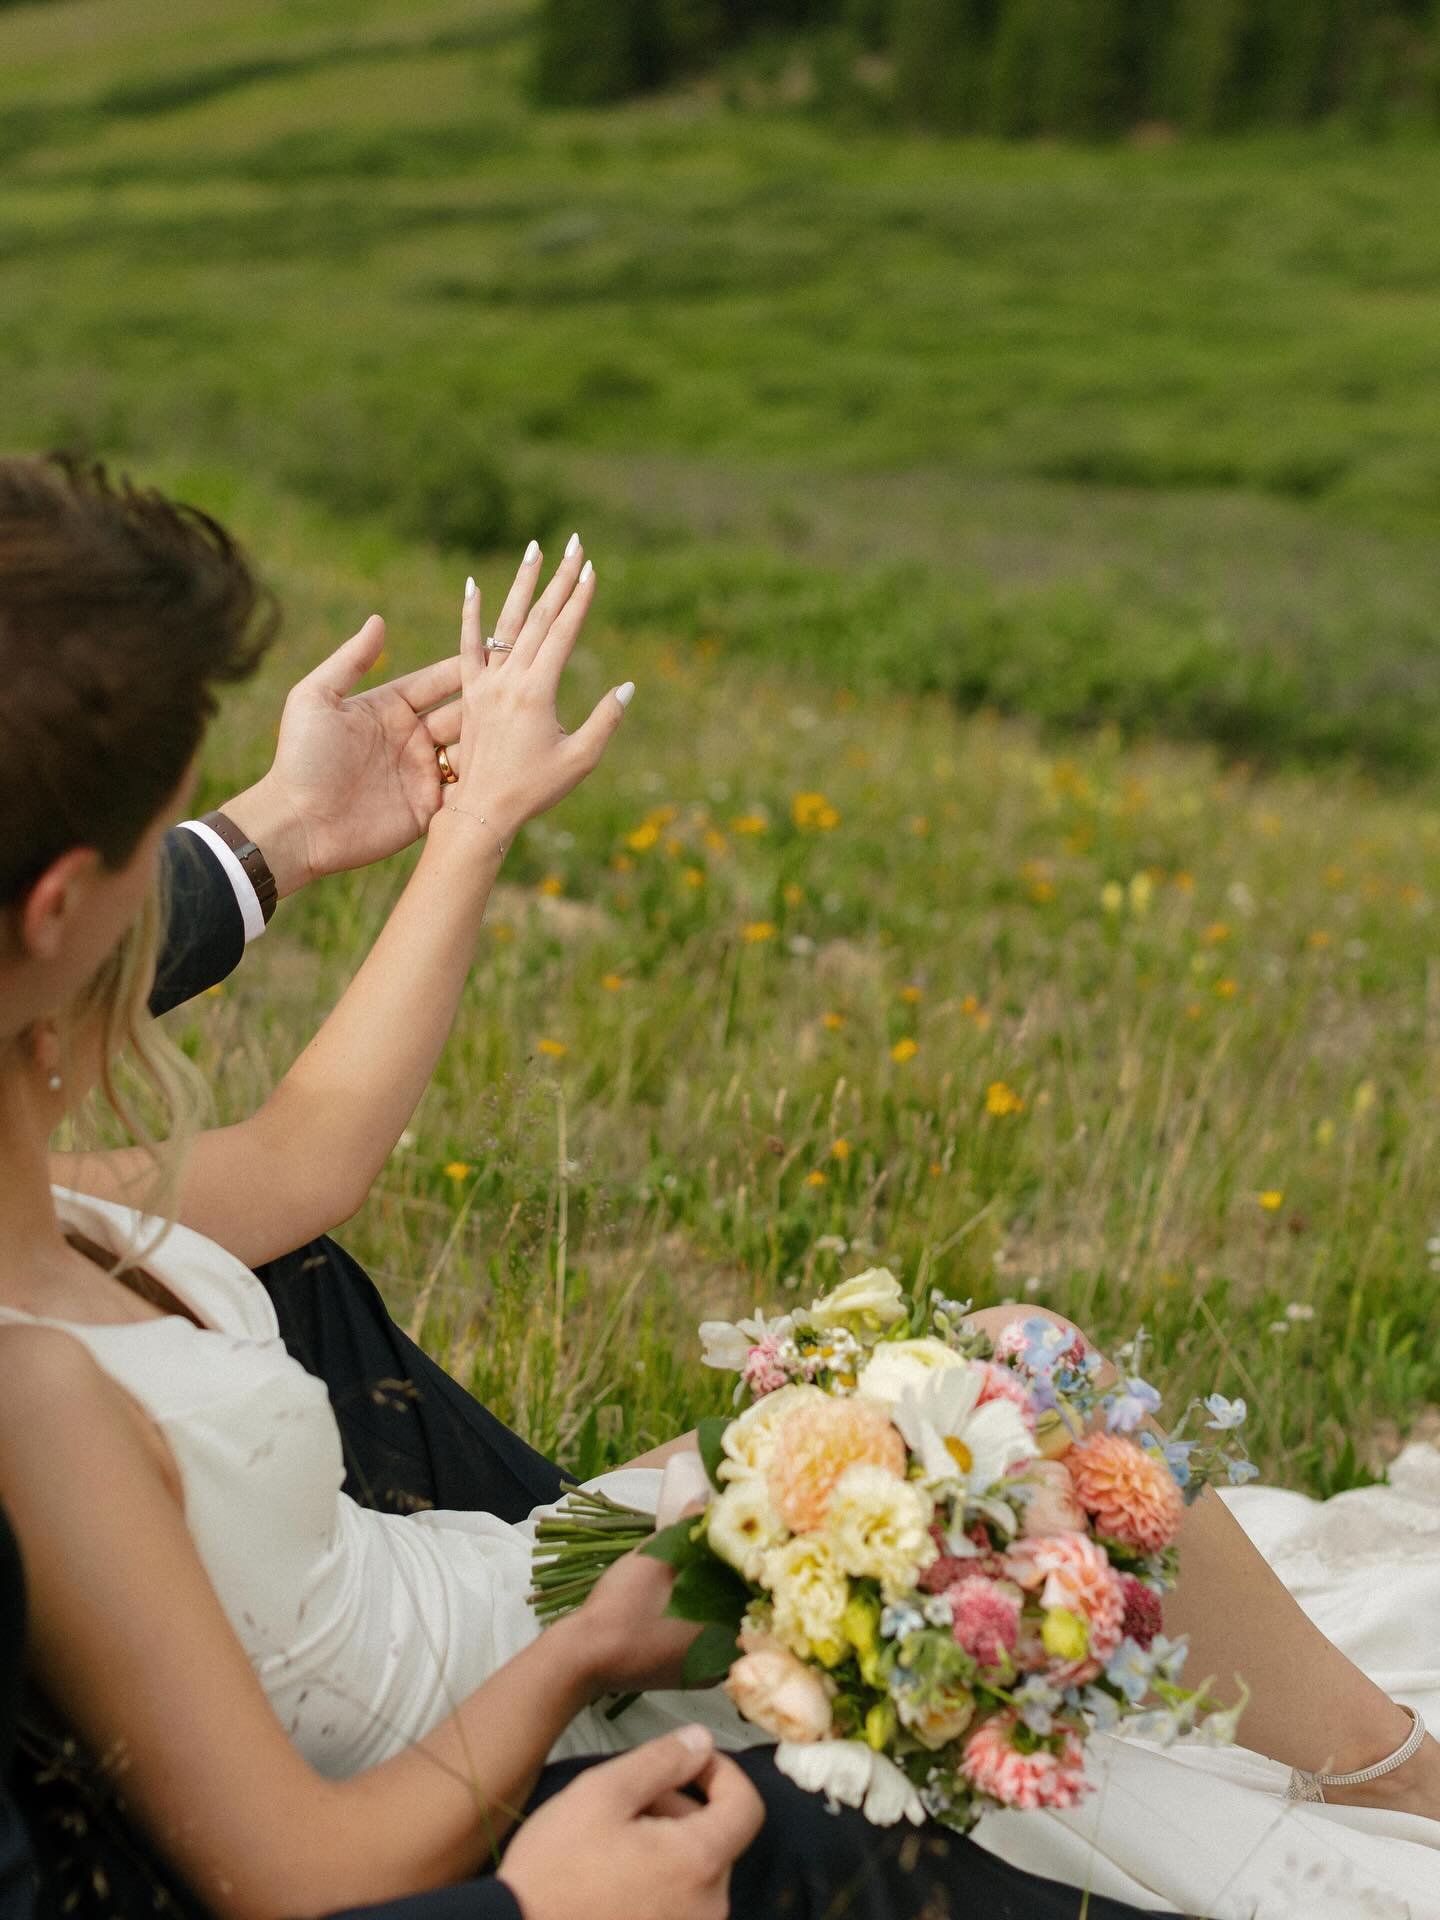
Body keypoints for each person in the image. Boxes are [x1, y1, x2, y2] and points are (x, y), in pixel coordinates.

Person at [0, 455, 1436, 1920]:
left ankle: (1395, 1781)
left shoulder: (42, 1210)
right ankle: (1391, 1800)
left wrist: (471, 821)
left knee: (1012, 1372)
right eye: (149, 848)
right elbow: (292, 1870)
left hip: (507, 1584)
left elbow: (310, 1153)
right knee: (1006, 1413)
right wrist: (583, 1654)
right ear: (59, 909)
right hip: (518, 1721)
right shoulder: (37, 1405)